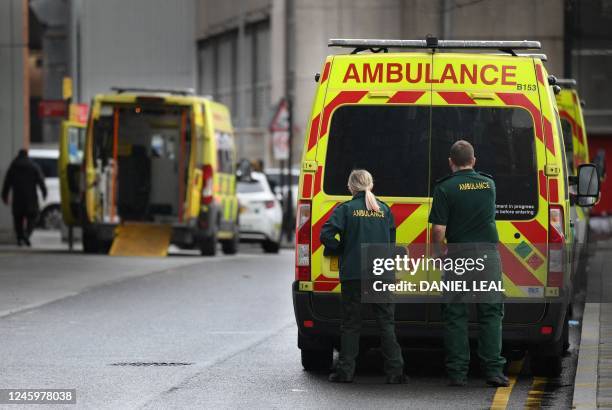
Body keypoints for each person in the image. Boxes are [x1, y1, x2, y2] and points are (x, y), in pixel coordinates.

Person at [429, 140, 508, 387]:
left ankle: (457, 373)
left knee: (455, 314)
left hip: (457, 255)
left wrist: (435, 253)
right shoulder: (489, 184)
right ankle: (493, 371)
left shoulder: (444, 188)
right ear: (473, 160)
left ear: (450, 162)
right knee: (491, 313)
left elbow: (438, 229)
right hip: (487, 256)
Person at [320, 169, 405, 384]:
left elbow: (326, 235)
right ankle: (395, 372)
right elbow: (391, 243)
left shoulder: (346, 209)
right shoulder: (384, 210)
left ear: (351, 187)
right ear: (371, 185)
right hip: (381, 273)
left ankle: (345, 372)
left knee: (351, 324)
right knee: (386, 323)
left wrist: (341, 248)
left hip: (353, 274)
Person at [1, 149, 47, 246]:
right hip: (31, 199)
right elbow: (41, 181)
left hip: (17, 198)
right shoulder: (33, 166)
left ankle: (19, 238)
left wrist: (4, 196)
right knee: (33, 217)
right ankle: (26, 234)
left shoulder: (13, 167)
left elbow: (7, 183)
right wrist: (44, 193)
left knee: (18, 219)